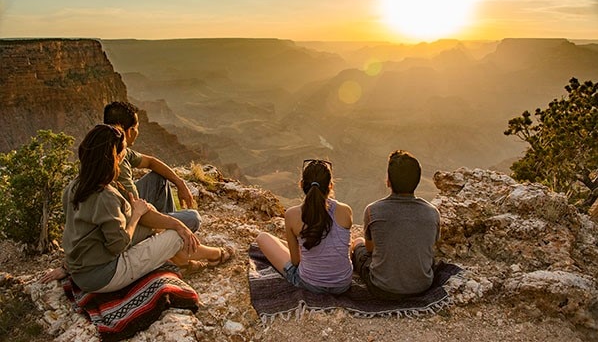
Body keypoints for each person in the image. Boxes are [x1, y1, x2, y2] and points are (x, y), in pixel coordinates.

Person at [40, 124, 232, 288]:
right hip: (104, 276)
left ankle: (196, 257)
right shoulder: (105, 196)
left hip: (85, 267)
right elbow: (119, 244)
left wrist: (175, 223)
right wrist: (137, 215)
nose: (124, 156)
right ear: (113, 158)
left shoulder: (74, 186)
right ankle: (214, 254)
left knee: (167, 228)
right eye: (122, 153)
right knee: (175, 237)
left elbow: (78, 234)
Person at [351, 150, 440, 299]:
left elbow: (370, 249)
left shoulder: (373, 210)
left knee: (358, 243)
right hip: (423, 286)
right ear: (418, 180)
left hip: (382, 288)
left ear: (388, 181)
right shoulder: (432, 213)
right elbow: (432, 245)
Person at [256, 159, 353, 294]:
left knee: (263, 237)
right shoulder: (345, 210)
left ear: (301, 184)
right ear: (330, 186)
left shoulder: (292, 215)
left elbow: (296, 262)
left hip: (310, 284)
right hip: (343, 285)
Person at [103, 101, 201, 232]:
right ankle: (169, 238)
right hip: (126, 224)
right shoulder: (117, 164)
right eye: (136, 127)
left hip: (124, 207)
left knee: (158, 178)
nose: (138, 132)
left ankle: (169, 238)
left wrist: (180, 183)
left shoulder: (114, 148)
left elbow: (151, 162)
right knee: (193, 218)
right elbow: (138, 214)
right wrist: (175, 224)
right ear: (129, 131)